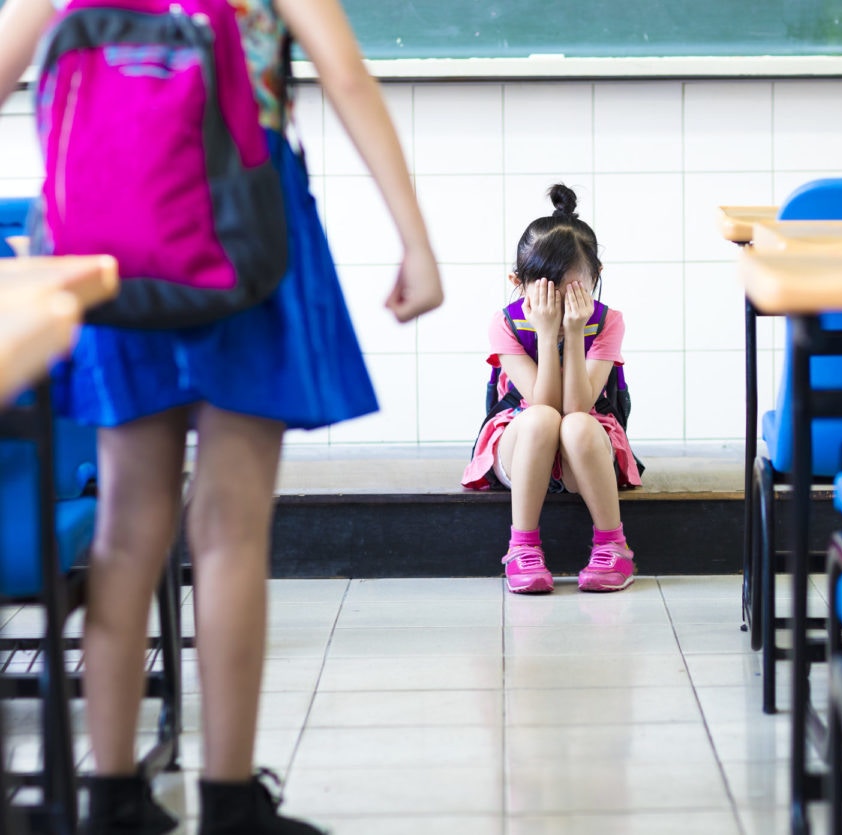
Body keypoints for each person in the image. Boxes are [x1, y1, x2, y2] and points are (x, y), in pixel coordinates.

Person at [0, 0, 443, 832]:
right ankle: (231, 803)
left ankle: (114, 799)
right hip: (247, 237)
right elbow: (345, 74)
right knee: (231, 529)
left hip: (113, 251)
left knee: (124, 534)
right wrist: (414, 241)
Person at [462, 184, 641, 595]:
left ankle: (614, 547)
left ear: (596, 280)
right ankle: (522, 548)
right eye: (546, 294)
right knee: (542, 416)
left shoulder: (607, 322)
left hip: (584, 448)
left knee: (577, 423)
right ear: (517, 283)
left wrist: (574, 334)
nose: (559, 308)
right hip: (525, 440)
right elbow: (544, 406)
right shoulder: (505, 323)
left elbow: (579, 407)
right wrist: (546, 333)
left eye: (574, 293)